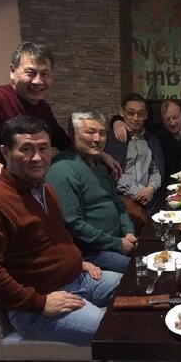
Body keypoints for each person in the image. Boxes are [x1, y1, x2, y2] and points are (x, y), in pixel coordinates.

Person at [0, 116, 136, 362]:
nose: (37, 157)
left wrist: (77, 260)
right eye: (26, 149)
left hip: (78, 279)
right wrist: (39, 302)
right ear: (5, 152)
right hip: (37, 307)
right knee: (122, 334)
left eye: (43, 148)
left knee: (139, 288)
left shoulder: (42, 188)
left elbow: (56, 237)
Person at [0, 42, 120, 215]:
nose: (38, 81)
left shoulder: (42, 108)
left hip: (21, 196)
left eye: (45, 74)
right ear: (12, 71)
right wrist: (4, 174)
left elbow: (62, 141)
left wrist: (99, 154)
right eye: (31, 73)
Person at [46, 111, 137, 273]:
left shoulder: (100, 165)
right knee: (140, 270)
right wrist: (118, 244)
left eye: (102, 133)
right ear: (72, 134)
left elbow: (118, 204)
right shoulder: (61, 169)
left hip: (117, 241)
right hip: (92, 252)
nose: (97, 139)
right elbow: (74, 224)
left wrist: (129, 231)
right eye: (90, 132)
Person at [104, 93, 165, 232]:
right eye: (131, 113)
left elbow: (156, 169)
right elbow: (114, 174)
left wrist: (151, 189)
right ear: (122, 112)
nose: (136, 118)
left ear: (146, 115)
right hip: (122, 198)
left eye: (140, 114)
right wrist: (138, 192)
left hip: (150, 197)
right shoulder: (112, 138)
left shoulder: (151, 139)